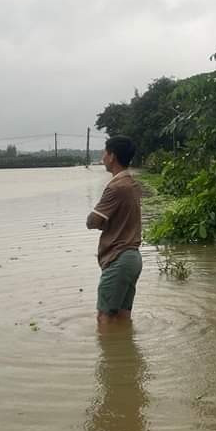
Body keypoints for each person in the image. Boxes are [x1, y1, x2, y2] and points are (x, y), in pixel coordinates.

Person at [86, 136, 143, 323]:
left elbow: (92, 221)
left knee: (105, 318)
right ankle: (124, 350)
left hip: (118, 258)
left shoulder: (116, 187)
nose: (103, 157)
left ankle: (109, 352)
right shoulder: (132, 185)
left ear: (112, 156)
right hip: (132, 258)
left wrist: (102, 221)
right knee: (122, 317)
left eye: (105, 153)